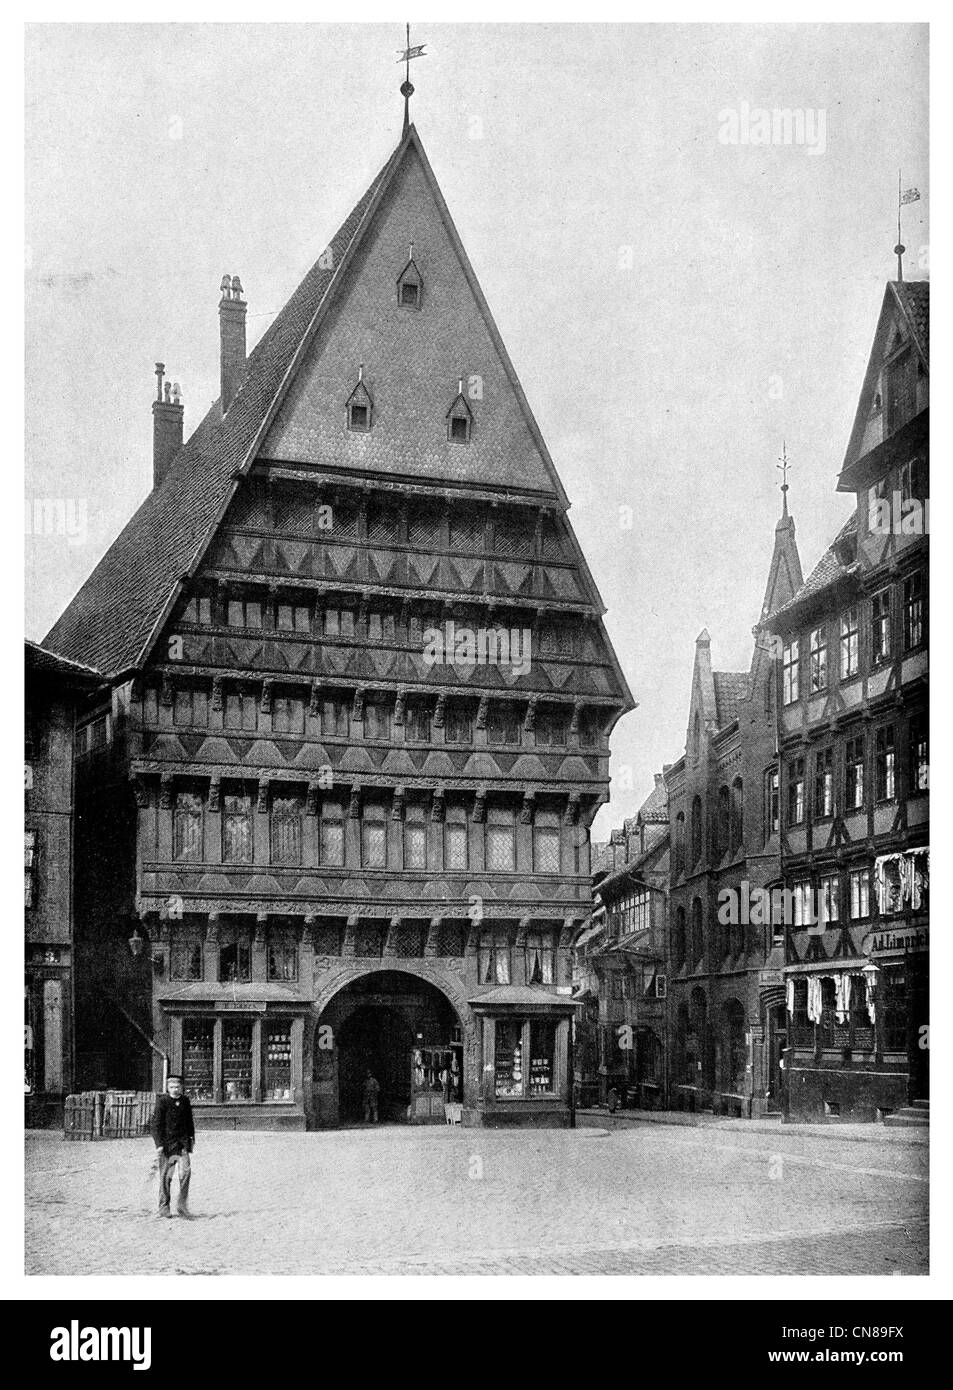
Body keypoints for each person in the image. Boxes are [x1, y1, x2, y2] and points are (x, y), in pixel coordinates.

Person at [149, 1074, 195, 1218]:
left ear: (182, 1087)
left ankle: (182, 1206)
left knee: (186, 1173)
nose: (175, 1090)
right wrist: (159, 1144)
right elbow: (155, 1125)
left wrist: (191, 1139)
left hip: (182, 1145)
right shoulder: (163, 1102)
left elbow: (189, 1121)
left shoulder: (185, 1101)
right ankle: (164, 1207)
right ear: (168, 1088)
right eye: (172, 1087)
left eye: (177, 1087)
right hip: (168, 1147)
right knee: (166, 1176)